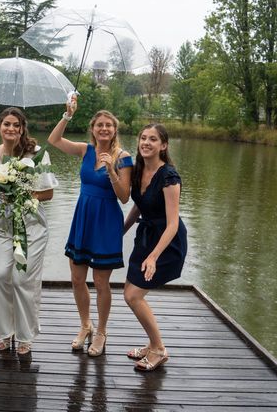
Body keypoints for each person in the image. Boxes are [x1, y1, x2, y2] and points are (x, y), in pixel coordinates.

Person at [47, 98, 132, 357]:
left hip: (106, 220)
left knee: (101, 282)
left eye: (108, 125)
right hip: (83, 216)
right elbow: (54, 140)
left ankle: (102, 331)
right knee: (76, 278)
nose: (104, 129)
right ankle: (85, 325)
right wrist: (67, 114)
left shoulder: (123, 157)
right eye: (99, 125)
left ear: (114, 130)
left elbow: (125, 197)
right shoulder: (86, 150)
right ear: (93, 129)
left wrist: (111, 170)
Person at [0, 107, 58, 355]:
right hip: (3, 225)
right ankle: (5, 332)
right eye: (6, 124)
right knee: (0, 276)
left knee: (22, 280)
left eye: (16, 125)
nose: (11, 129)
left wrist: (22, 192)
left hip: (31, 226)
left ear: (23, 128)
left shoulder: (36, 155)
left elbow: (48, 193)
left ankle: (25, 336)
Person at [123, 124, 187, 371]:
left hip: (167, 244)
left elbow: (172, 224)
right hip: (146, 237)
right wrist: (121, 231)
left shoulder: (169, 176)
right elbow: (139, 205)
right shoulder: (139, 170)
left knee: (133, 295)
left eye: (153, 139)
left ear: (164, 145)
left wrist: (153, 256)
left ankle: (159, 349)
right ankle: (152, 346)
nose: (146, 143)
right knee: (129, 293)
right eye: (143, 138)